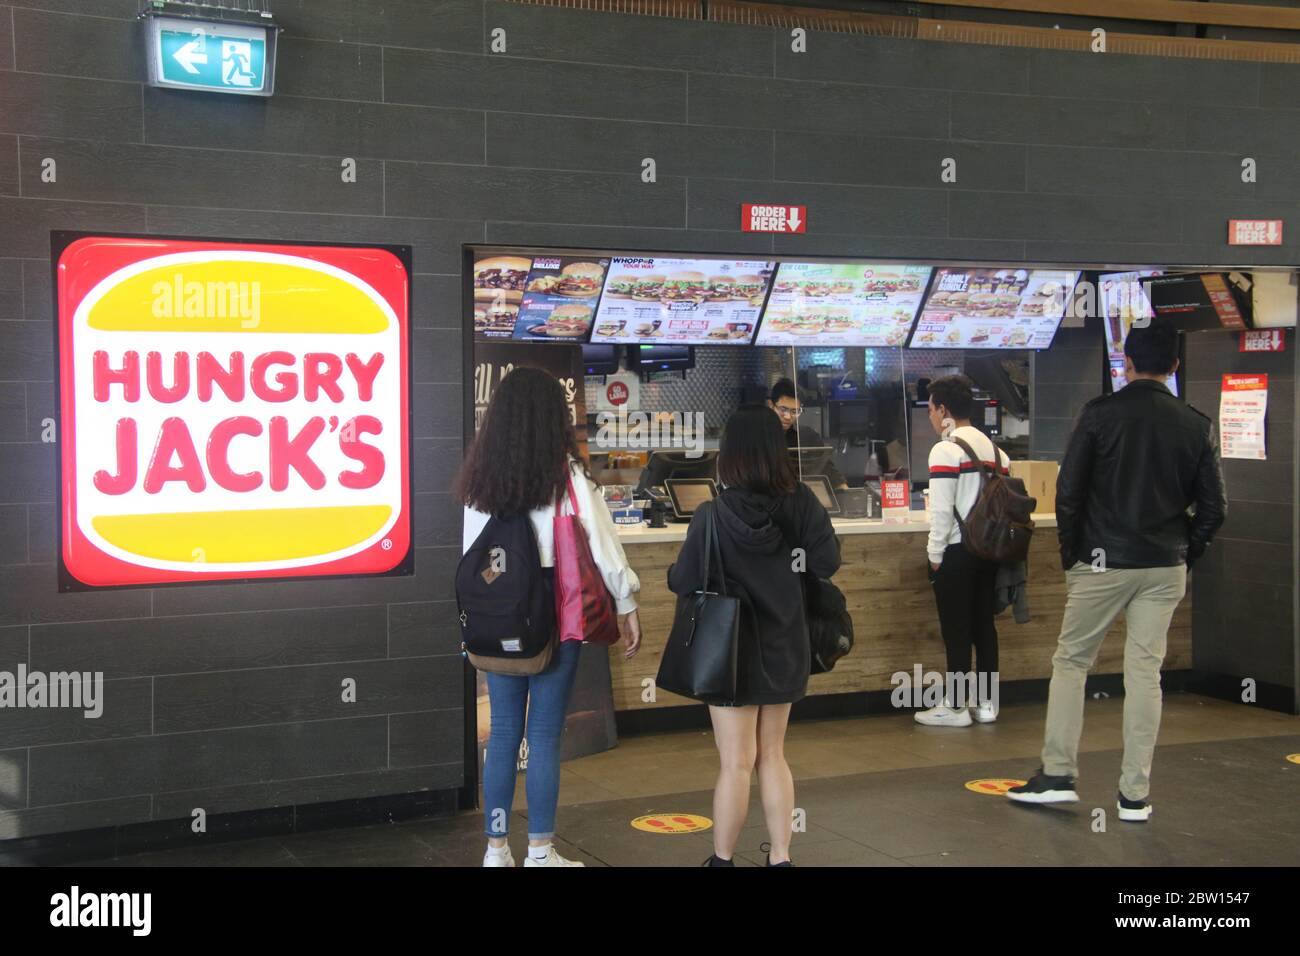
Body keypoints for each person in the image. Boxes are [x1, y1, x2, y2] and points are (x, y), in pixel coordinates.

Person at [1008, 321, 1226, 822]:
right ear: (1175, 367)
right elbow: (1215, 509)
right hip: (1163, 565)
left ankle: (1058, 774)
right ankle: (1134, 796)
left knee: (1073, 662)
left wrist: (1073, 555)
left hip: (1101, 561)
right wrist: (1184, 552)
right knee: (1145, 673)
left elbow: (1068, 494)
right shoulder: (1196, 424)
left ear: (1125, 363)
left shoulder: (1099, 415)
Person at [458, 366, 643, 867]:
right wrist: (626, 604)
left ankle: (496, 851)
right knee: (542, 735)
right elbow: (603, 549)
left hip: (499, 614)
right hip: (556, 609)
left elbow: (470, 555)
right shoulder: (569, 476)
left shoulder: (481, 478)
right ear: (553, 419)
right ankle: (540, 851)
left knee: (501, 736)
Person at [668, 405, 840, 866]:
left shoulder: (711, 514)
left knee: (736, 762)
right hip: (786, 642)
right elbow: (826, 564)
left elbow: (683, 579)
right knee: (774, 755)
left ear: (730, 454)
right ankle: (780, 857)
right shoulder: (802, 502)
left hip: (731, 650)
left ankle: (722, 860)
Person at [915, 374, 1010, 727]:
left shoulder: (946, 449)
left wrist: (934, 555)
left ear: (943, 409)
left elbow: (941, 510)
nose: (930, 416)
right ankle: (987, 704)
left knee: (956, 629)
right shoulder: (997, 452)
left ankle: (955, 707)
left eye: (931, 409)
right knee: (984, 625)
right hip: (990, 551)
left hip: (957, 550)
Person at [767, 378, 848, 489]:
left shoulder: (807, 436)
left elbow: (828, 470)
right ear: (771, 405)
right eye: (783, 409)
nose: (788, 416)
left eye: (794, 411)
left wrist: (845, 493)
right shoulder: (760, 437)